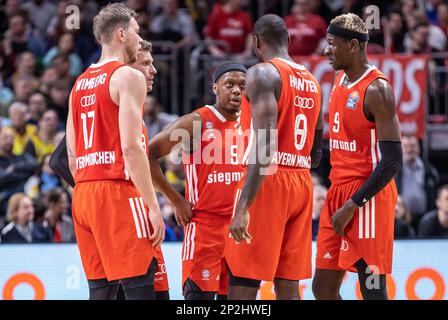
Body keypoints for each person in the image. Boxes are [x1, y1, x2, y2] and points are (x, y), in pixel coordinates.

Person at [50, 40, 171, 300]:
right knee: (138, 288)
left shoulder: (105, 97)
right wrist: (103, 191)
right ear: (127, 67)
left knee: (140, 290)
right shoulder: (120, 88)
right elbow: (58, 159)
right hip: (121, 203)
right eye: (146, 64)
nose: (153, 71)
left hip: (105, 200)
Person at [226, 14, 324, 300]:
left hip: (268, 180)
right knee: (288, 283)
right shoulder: (312, 80)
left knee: (244, 280)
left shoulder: (262, 73)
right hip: (302, 180)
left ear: (256, 42)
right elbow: (317, 151)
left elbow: (266, 144)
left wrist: (244, 205)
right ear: (289, 40)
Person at [312, 13, 403, 301]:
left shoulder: (378, 89)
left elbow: (392, 161)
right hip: (338, 190)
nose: (326, 50)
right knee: (323, 288)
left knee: (372, 287)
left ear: (353, 45)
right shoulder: (338, 80)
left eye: (332, 43)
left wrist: (354, 204)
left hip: (368, 196)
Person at [148, 62, 247, 300]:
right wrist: (176, 200)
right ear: (215, 88)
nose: (236, 90)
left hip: (241, 228)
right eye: (229, 84)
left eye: (243, 86)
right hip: (205, 227)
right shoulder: (197, 121)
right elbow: (148, 154)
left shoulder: (252, 123)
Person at [395, 135, 439, 228]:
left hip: (425, 217)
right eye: (406, 146)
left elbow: (436, 192)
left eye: (413, 146)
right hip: (401, 217)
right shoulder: (394, 170)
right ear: (400, 149)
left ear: (419, 148)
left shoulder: (429, 170)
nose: (410, 149)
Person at [0, 127, 38, 221]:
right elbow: (2, 178)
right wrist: (22, 174)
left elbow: (34, 164)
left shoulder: (19, 157)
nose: (9, 141)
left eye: (11, 138)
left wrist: (14, 168)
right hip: (6, 197)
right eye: (5, 138)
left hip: (25, 194)